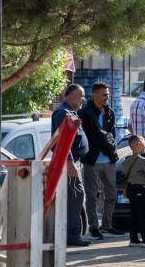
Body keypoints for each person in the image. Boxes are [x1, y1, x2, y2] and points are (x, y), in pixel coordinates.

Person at [77, 82, 123, 240]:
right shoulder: (85, 113)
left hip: (109, 160)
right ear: (95, 95)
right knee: (92, 195)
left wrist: (112, 151)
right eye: (104, 94)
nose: (107, 97)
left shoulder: (110, 112)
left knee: (111, 194)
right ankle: (94, 227)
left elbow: (112, 135)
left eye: (108, 95)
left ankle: (107, 226)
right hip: (92, 160)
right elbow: (87, 136)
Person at [51, 84, 90, 247]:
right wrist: (69, 162)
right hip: (69, 163)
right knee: (76, 197)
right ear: (72, 95)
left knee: (76, 198)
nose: (83, 99)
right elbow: (61, 141)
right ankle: (71, 235)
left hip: (74, 162)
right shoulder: (63, 113)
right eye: (81, 96)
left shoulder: (71, 113)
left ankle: (74, 233)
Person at [122, 135, 145, 247]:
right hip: (141, 189)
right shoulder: (143, 160)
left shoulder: (127, 159)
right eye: (144, 143)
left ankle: (134, 239)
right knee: (144, 215)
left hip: (131, 189)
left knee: (134, 214)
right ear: (138, 144)